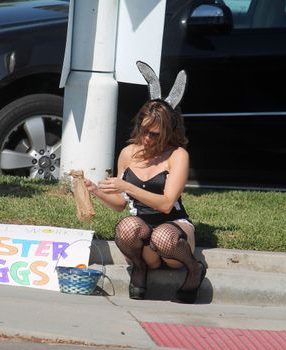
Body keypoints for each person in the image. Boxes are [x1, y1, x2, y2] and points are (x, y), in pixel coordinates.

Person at [85, 62, 207, 304]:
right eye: (144, 131)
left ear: (168, 132)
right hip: (144, 231)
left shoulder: (177, 155)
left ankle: (194, 268)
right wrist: (96, 191)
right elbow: (121, 204)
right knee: (125, 228)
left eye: (155, 135)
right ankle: (140, 268)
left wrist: (128, 187)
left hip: (173, 228)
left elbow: (166, 204)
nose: (147, 139)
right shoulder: (128, 153)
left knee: (161, 236)